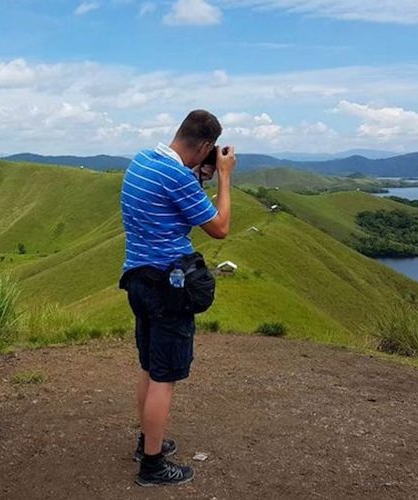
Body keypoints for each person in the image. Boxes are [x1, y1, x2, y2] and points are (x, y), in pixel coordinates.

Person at [119, 110, 235, 486]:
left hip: (137, 278)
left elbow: (168, 209)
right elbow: (219, 228)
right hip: (168, 287)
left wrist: (197, 174)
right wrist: (225, 178)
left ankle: (146, 442)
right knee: (164, 378)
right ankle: (152, 467)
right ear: (205, 146)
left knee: (151, 370)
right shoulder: (176, 177)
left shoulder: (141, 161)